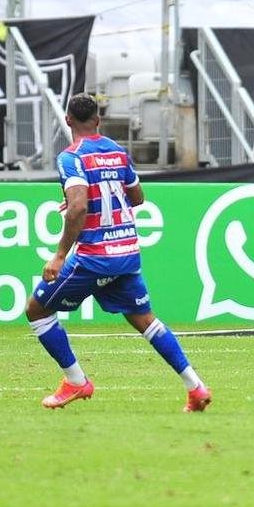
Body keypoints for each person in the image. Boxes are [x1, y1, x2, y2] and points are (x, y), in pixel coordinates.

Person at [24, 93, 212, 411]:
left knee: (37, 310)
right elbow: (137, 198)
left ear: (68, 121)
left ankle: (76, 381)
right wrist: (84, 201)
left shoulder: (71, 157)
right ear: (98, 120)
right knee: (145, 320)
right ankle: (195, 387)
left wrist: (59, 255)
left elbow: (79, 207)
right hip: (125, 252)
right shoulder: (117, 151)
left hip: (94, 257)